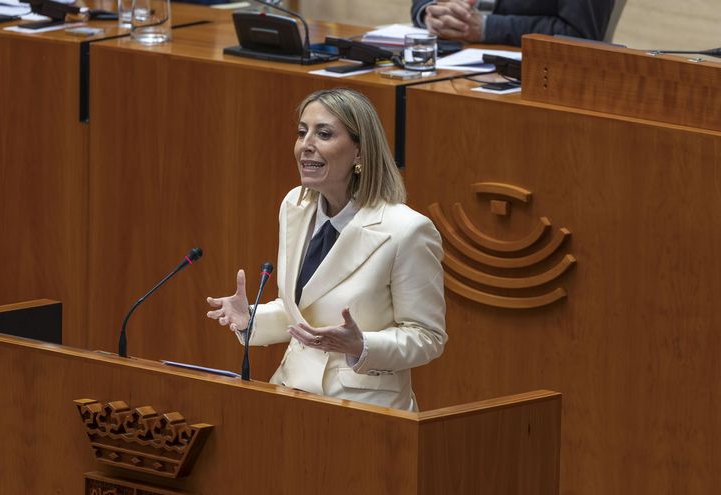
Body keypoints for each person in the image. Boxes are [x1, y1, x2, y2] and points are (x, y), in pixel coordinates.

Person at [206, 89, 446, 412]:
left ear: (359, 152)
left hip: (364, 409)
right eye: (302, 132)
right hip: (291, 393)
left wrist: (362, 345)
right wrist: (249, 318)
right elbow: (305, 312)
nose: (307, 144)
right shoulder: (295, 205)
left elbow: (427, 336)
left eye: (324, 134)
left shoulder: (407, 230)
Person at [411, 0, 615, 47]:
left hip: (530, 76)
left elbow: (579, 34)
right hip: (445, 55)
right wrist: (430, 12)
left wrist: (486, 28)